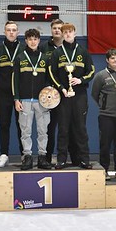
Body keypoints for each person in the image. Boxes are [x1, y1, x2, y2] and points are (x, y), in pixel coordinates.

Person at [48, 22, 94, 169]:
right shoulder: (57, 53)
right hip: (63, 96)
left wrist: (80, 80)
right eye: (65, 32)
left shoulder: (83, 52)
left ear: (74, 33)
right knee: (63, 128)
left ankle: (84, 159)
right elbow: (51, 73)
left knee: (80, 128)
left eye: (70, 32)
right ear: (62, 34)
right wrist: (61, 88)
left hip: (80, 95)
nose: (68, 34)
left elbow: (91, 71)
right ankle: (61, 160)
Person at [13, 29, 52, 170]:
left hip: (41, 102)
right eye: (30, 39)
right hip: (25, 100)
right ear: (26, 41)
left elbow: (49, 79)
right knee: (25, 130)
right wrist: (16, 99)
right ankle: (27, 157)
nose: (33, 41)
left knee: (43, 130)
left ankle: (42, 157)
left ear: (39, 41)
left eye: (35, 39)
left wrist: (48, 98)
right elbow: (15, 80)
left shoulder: (45, 58)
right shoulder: (19, 58)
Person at [41, 18, 78, 166]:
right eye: (54, 28)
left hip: (67, 94)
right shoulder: (44, 48)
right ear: (51, 30)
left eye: (59, 28)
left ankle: (73, 158)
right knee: (49, 128)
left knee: (69, 126)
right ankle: (47, 159)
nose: (57, 30)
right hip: (50, 94)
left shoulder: (72, 49)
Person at [0, 21, 23, 167]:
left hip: (21, 95)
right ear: (4, 32)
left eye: (14, 30)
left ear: (17, 32)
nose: (11, 32)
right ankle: (4, 154)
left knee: (22, 125)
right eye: (8, 30)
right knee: (4, 124)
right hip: (3, 95)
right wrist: (2, 85)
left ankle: (24, 155)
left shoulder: (24, 49)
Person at [91, 49, 116, 178]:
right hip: (106, 115)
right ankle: (104, 169)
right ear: (107, 60)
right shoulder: (101, 75)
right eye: (112, 58)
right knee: (105, 144)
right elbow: (95, 94)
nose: (115, 61)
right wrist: (104, 105)